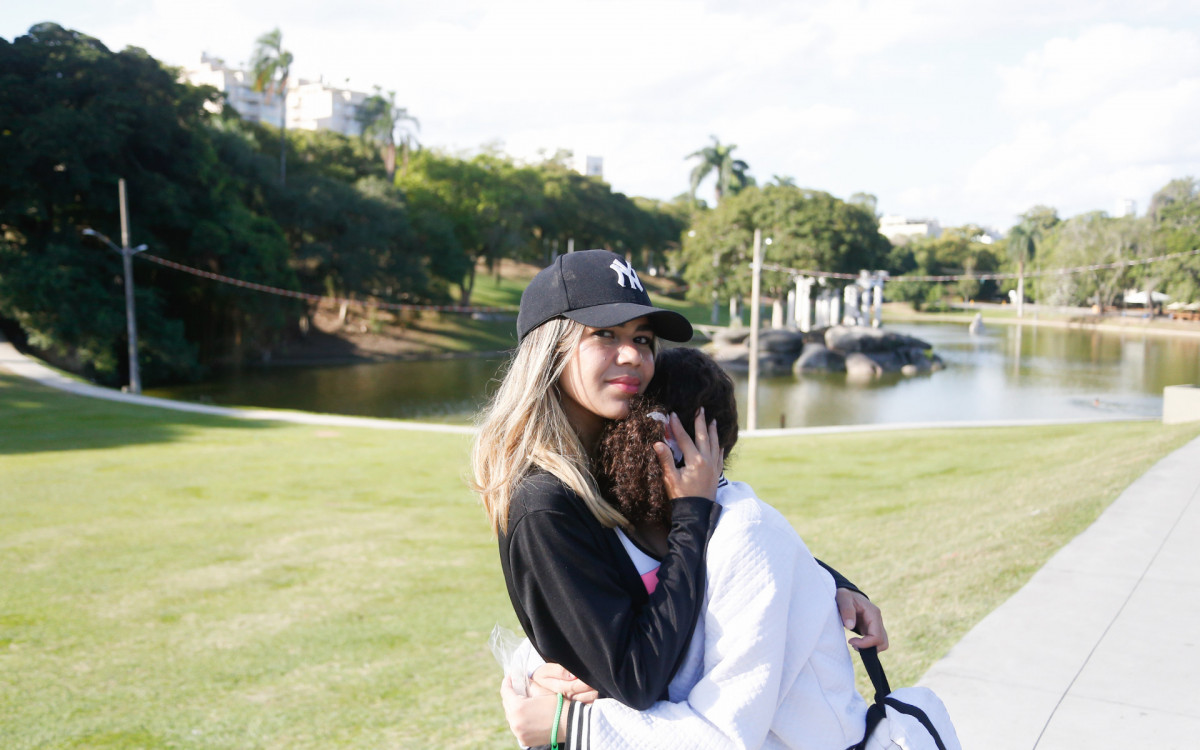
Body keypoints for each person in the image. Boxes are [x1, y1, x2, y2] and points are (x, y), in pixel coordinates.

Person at [472, 250, 884, 742]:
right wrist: (693, 511)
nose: (633, 356)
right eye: (604, 334)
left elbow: (724, 548)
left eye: (642, 339)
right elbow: (635, 678)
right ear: (551, 347)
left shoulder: (608, 461)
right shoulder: (547, 503)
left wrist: (824, 582)